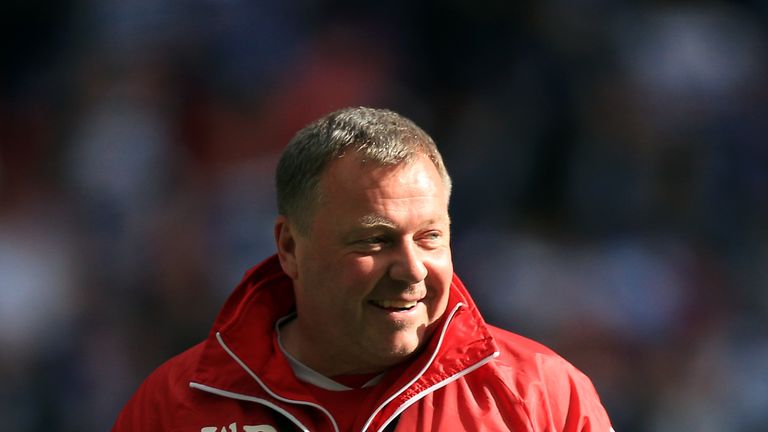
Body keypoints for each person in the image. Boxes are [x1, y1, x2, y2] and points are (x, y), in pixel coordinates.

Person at [113, 107, 614, 431]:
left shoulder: (541, 395)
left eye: (430, 237)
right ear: (290, 247)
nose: (412, 270)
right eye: (375, 240)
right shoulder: (175, 405)